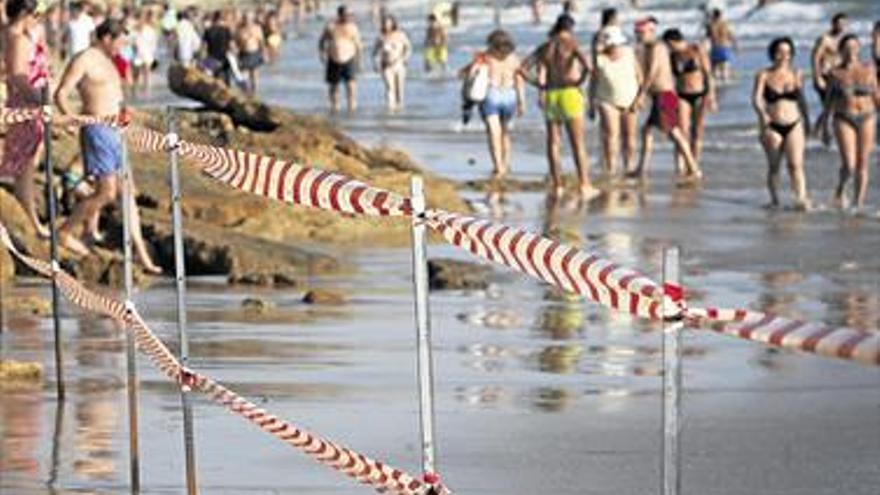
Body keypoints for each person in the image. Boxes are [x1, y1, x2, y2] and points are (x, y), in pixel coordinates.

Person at [53, 19, 161, 273]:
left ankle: (141, 255)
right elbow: (61, 92)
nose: (121, 48)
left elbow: (116, 98)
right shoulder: (85, 59)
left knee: (128, 193)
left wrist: (127, 117)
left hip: (116, 130)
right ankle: (66, 232)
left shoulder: (110, 61)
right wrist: (72, 120)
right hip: (97, 130)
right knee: (107, 193)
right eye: (119, 42)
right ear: (106, 38)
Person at [520, 15, 597, 200]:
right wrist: (580, 81)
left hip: (551, 94)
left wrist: (540, 86)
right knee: (577, 143)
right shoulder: (572, 44)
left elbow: (522, 68)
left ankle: (557, 184)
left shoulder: (546, 47)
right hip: (569, 92)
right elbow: (588, 67)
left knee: (553, 142)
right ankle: (585, 184)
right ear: (570, 28)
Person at [630, 17, 702, 183]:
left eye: (641, 33)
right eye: (637, 33)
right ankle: (641, 169)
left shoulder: (657, 47)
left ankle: (693, 167)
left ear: (651, 32)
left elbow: (653, 71)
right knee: (647, 131)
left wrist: (641, 94)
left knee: (674, 132)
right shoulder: (647, 48)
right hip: (658, 96)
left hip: (665, 95)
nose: (638, 36)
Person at [1, 0, 50, 237]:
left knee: (27, 162)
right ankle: (30, 219)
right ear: (25, 13)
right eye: (35, 13)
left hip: (32, 104)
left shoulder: (23, 34)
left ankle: (27, 215)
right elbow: (18, 76)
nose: (38, 18)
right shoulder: (17, 39)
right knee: (25, 165)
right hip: (27, 105)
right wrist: (39, 100)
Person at [817, 34, 879, 211]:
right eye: (847, 47)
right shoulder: (835, 73)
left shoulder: (869, 68)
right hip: (844, 117)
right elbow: (829, 101)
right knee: (849, 165)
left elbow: (876, 95)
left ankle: (857, 204)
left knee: (863, 162)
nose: (851, 50)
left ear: (859, 48)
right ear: (841, 50)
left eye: (854, 46)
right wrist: (824, 125)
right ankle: (841, 189)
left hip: (868, 116)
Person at [751, 37, 811, 210]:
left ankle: (800, 199)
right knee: (774, 166)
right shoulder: (763, 75)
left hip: (794, 123)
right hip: (772, 125)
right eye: (780, 52)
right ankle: (774, 200)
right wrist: (762, 114)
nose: (784, 56)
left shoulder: (796, 74)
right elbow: (756, 98)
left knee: (796, 164)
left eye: (787, 52)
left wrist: (807, 120)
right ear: (773, 54)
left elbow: (801, 99)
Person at [461, 29, 524, 180]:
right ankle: (505, 163)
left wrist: (467, 95)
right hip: (510, 96)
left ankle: (498, 167)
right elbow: (519, 81)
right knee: (504, 132)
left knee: (494, 133)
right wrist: (522, 102)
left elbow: (466, 74)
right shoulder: (514, 59)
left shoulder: (484, 57)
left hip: (491, 95)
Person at [590, 26, 641, 178]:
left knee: (630, 137)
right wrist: (591, 103)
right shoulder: (599, 58)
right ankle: (611, 168)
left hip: (630, 99)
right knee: (611, 134)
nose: (616, 48)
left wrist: (640, 98)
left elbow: (640, 77)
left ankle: (629, 166)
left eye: (618, 45)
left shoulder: (629, 53)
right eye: (613, 45)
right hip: (607, 100)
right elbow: (594, 81)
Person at [663, 28, 715, 166]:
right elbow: (669, 79)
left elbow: (708, 75)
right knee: (682, 130)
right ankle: (682, 164)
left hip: (699, 94)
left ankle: (695, 162)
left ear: (673, 41)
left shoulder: (696, 51)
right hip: (681, 95)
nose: (668, 48)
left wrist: (711, 96)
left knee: (697, 131)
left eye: (669, 45)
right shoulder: (672, 56)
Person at [319, 5, 362, 112]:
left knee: (351, 85)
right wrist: (322, 53)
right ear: (340, 15)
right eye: (346, 15)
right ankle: (335, 106)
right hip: (333, 58)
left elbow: (359, 46)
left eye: (350, 15)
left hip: (349, 58)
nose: (349, 17)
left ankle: (351, 106)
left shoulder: (353, 27)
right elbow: (322, 41)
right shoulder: (331, 26)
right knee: (334, 86)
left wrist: (359, 61)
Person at [372, 14, 411, 111]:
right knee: (389, 88)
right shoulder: (381, 37)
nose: (386, 25)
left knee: (399, 90)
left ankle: (399, 109)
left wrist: (405, 58)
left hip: (399, 64)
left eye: (388, 23)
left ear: (393, 23)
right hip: (386, 65)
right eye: (384, 23)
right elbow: (375, 52)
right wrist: (375, 64)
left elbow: (408, 48)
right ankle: (390, 109)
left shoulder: (400, 35)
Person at [811, 12, 847, 109]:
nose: (841, 26)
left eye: (844, 24)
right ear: (833, 24)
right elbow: (815, 58)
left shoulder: (844, 39)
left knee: (841, 106)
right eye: (839, 24)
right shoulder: (825, 39)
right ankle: (822, 123)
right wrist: (817, 78)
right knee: (828, 107)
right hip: (826, 75)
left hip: (839, 76)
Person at [236, 12, 266, 94]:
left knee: (254, 76)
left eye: (249, 18)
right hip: (244, 54)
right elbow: (236, 43)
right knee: (243, 76)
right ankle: (245, 93)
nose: (247, 20)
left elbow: (262, 42)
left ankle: (254, 94)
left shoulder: (257, 28)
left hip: (254, 53)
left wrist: (264, 53)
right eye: (245, 18)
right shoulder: (240, 30)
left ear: (252, 19)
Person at [203, 10, 234, 84]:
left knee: (213, 79)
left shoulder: (208, 30)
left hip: (211, 57)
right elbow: (231, 45)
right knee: (226, 78)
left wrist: (202, 59)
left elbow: (204, 46)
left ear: (213, 18)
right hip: (224, 57)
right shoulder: (226, 30)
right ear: (222, 19)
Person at [706, 8, 736, 81]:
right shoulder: (725, 24)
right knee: (725, 68)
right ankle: (725, 81)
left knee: (715, 69)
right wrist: (736, 45)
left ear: (713, 15)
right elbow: (730, 35)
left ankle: (717, 83)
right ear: (720, 15)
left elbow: (708, 36)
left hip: (715, 48)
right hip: (724, 47)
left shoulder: (710, 25)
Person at [132, 9, 158, 92]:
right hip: (140, 53)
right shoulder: (136, 29)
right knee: (139, 75)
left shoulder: (149, 30)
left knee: (144, 74)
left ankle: (142, 91)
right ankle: (140, 91)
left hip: (145, 53)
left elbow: (153, 43)